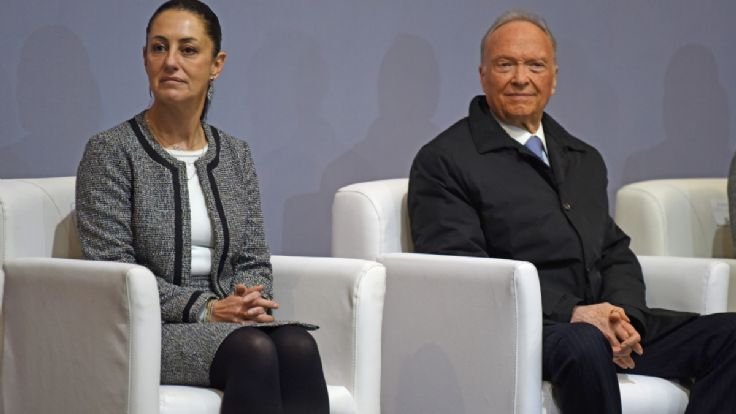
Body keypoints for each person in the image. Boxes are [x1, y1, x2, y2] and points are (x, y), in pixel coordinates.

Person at [408, 9, 736, 414]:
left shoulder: (583, 158)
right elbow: (464, 272)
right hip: (526, 327)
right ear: (482, 75)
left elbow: (614, 251)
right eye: (506, 65)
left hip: (597, 325)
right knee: (583, 343)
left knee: (730, 335)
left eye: (535, 65)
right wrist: (574, 312)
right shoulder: (445, 161)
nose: (521, 78)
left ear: (554, 78)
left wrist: (624, 317)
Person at [74, 1, 329, 413]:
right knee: (253, 350)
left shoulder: (235, 154)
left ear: (216, 64)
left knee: (298, 346)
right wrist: (206, 309)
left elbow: (253, 258)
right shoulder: (111, 152)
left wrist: (248, 301)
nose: (170, 61)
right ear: (145, 58)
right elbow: (114, 271)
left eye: (188, 49)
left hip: (231, 322)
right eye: (159, 48)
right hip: (150, 328)